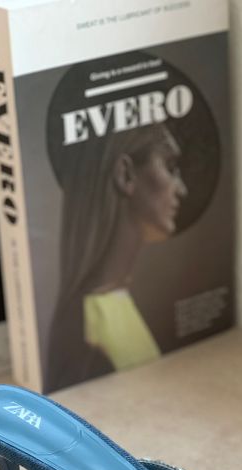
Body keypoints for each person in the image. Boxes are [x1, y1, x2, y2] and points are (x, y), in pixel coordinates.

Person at [45, 123, 188, 391]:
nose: (181, 189)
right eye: (169, 167)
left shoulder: (114, 302)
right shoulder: (89, 328)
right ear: (125, 175)